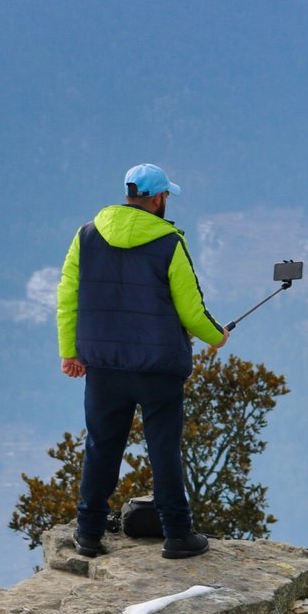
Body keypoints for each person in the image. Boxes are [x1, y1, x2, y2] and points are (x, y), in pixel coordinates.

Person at [56, 163, 227, 560]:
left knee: (101, 447)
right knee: (164, 449)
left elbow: (67, 298)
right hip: (158, 369)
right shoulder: (169, 242)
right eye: (166, 195)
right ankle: (177, 536)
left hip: (104, 368)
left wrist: (70, 352)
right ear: (157, 198)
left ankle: (89, 533)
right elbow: (190, 309)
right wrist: (216, 336)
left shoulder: (86, 236)